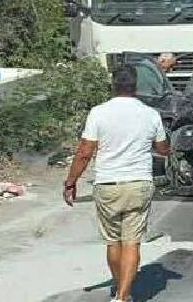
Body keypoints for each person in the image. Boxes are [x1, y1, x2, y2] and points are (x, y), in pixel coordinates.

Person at [64, 67, 171, 302]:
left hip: (108, 184)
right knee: (132, 242)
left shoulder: (98, 113)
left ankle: (122, 291)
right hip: (139, 184)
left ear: (113, 85)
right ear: (136, 86)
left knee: (113, 242)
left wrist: (71, 182)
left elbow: (84, 152)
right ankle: (123, 296)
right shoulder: (150, 114)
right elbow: (163, 149)